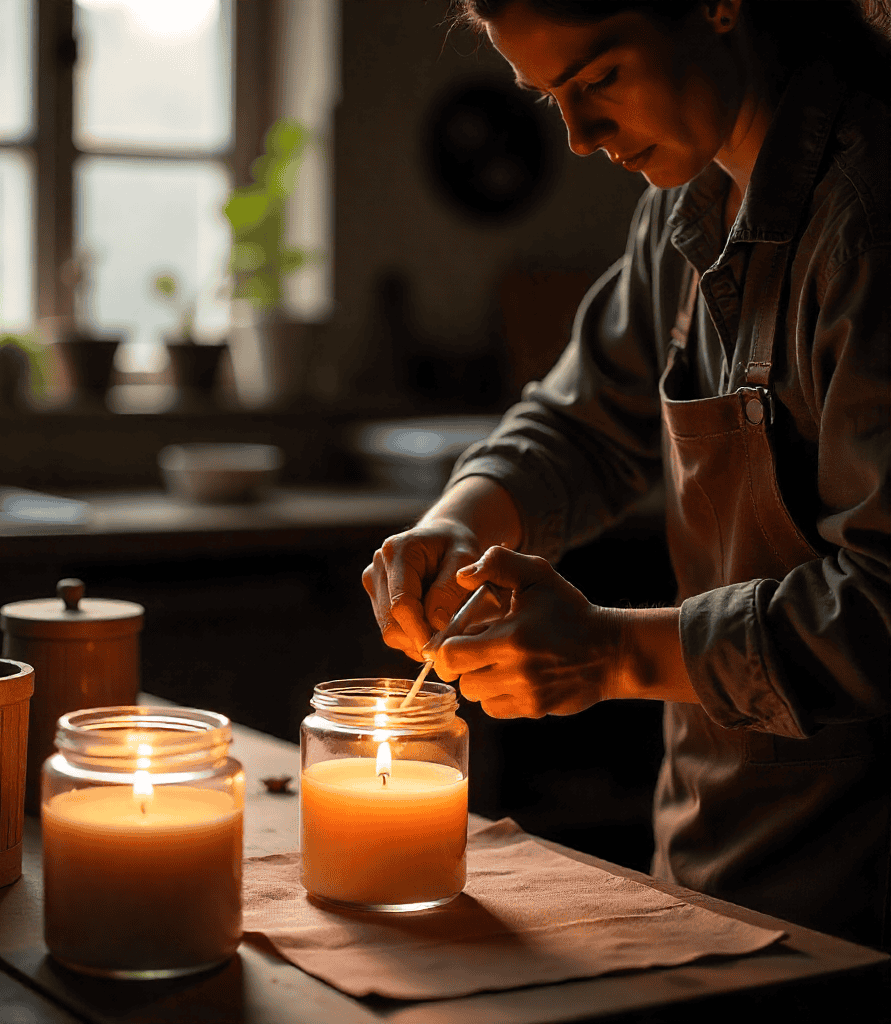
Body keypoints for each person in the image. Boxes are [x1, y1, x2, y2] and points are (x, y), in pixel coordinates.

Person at [363, 0, 890, 949]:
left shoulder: (868, 220)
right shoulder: (684, 213)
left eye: (598, 78)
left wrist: (611, 654)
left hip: (863, 896)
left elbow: (887, 608)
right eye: (549, 97)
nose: (576, 136)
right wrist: (458, 522)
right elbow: (580, 422)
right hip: (715, 860)